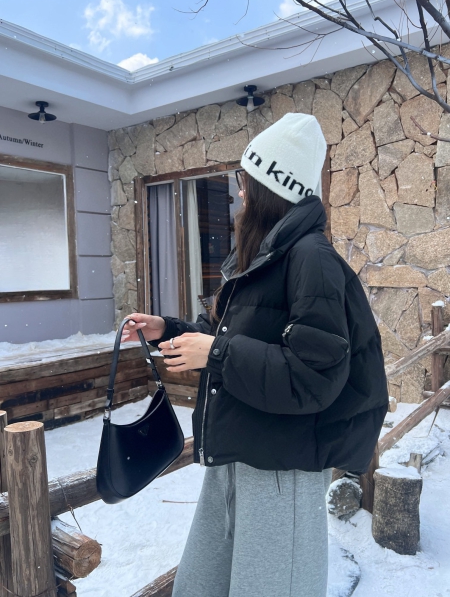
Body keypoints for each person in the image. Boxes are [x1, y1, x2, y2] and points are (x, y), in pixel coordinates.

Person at [122, 113, 389, 597]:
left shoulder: (311, 260)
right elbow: (227, 335)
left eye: (246, 183)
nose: (240, 193)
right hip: (237, 455)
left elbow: (312, 377)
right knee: (200, 586)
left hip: (281, 470)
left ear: (272, 187)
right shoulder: (263, 254)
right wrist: (172, 330)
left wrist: (217, 353)